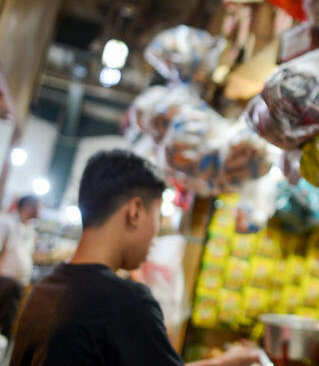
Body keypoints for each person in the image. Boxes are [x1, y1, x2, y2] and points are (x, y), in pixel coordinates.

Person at [11, 150, 259, 366]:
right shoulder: (126, 302)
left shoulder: (43, 291)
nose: (157, 231)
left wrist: (221, 362)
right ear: (135, 212)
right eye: (158, 215)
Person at [0, 195, 39, 340]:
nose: (40, 210)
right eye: (37, 206)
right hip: (4, 282)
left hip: (18, 284)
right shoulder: (7, 223)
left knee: (9, 325)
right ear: (27, 206)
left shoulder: (31, 230)